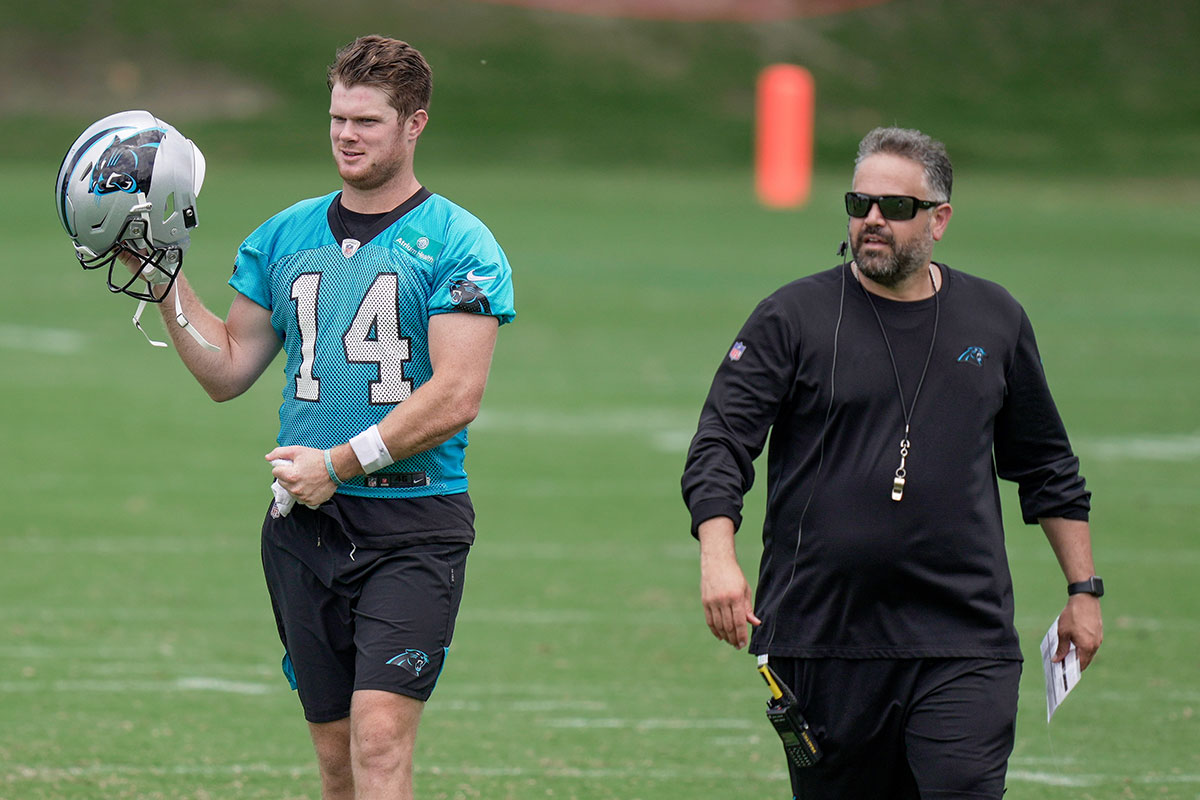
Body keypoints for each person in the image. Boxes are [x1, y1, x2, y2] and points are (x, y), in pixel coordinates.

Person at [121, 36, 514, 800]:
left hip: (414, 523)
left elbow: (456, 395)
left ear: (414, 125)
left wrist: (339, 463)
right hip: (304, 528)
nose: (345, 134)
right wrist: (162, 281)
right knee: (337, 762)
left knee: (379, 737)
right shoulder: (283, 234)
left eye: (366, 120)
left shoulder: (462, 242)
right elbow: (228, 368)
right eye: (337, 117)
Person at [681, 126, 1101, 799]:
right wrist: (717, 556)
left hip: (962, 636)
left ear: (939, 219)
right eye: (860, 203)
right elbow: (720, 444)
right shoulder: (791, 317)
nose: (871, 220)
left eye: (894, 208)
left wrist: (1084, 590)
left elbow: (1046, 464)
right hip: (824, 636)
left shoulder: (994, 319)